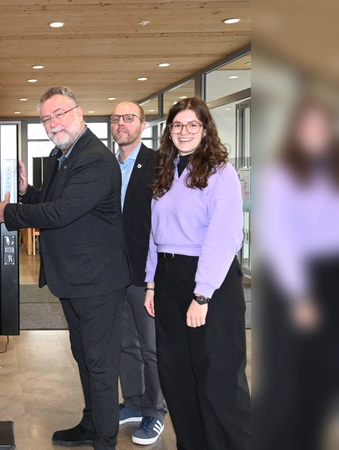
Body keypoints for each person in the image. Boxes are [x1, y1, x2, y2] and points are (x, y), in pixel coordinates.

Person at [0, 86, 130, 450]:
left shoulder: (95, 158)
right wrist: (26, 189)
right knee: (84, 356)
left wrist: (10, 214)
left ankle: (105, 441)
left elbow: (62, 212)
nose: (54, 123)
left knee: (100, 366)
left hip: (98, 282)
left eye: (60, 113)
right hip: (73, 279)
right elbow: (53, 201)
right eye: (46, 118)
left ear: (79, 113)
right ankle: (91, 424)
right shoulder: (62, 156)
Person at [143, 97, 251, 450]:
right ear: (168, 131)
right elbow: (155, 233)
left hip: (208, 281)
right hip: (168, 278)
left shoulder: (221, 173)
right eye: (177, 125)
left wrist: (202, 294)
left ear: (205, 130)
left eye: (193, 125)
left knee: (217, 380)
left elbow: (224, 236)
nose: (184, 131)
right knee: (176, 376)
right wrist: (150, 282)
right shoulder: (167, 170)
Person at [255, 99, 339, 450]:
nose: (316, 133)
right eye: (308, 126)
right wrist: (300, 295)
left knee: (326, 374)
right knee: (286, 379)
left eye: (323, 126)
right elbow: (279, 237)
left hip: (332, 277)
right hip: (294, 280)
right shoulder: (281, 173)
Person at [109, 102, 166, 445]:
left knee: (151, 347)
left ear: (142, 125)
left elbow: (163, 225)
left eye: (128, 118)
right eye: (116, 119)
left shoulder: (159, 165)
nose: (121, 123)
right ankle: (132, 402)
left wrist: (154, 281)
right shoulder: (106, 166)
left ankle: (155, 411)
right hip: (114, 275)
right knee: (124, 345)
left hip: (146, 275)